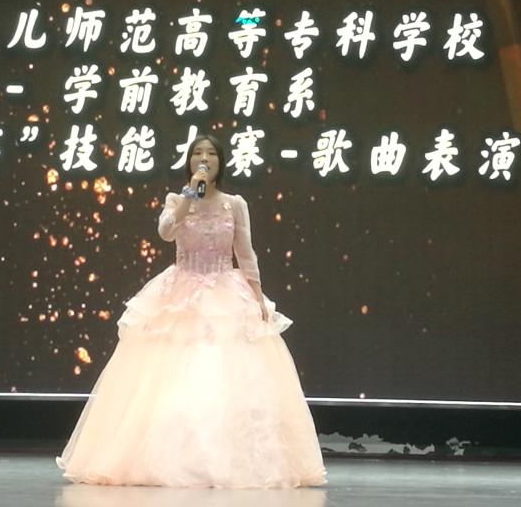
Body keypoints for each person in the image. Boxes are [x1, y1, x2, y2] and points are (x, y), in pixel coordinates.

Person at [57, 133, 326, 488]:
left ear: (221, 162)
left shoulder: (235, 204)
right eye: (198, 153)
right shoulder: (176, 200)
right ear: (189, 162)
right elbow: (166, 232)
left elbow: (245, 252)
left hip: (225, 292)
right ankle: (167, 458)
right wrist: (189, 196)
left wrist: (258, 295)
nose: (204, 158)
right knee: (170, 376)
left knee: (225, 374)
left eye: (211, 153)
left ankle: (226, 459)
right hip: (181, 292)